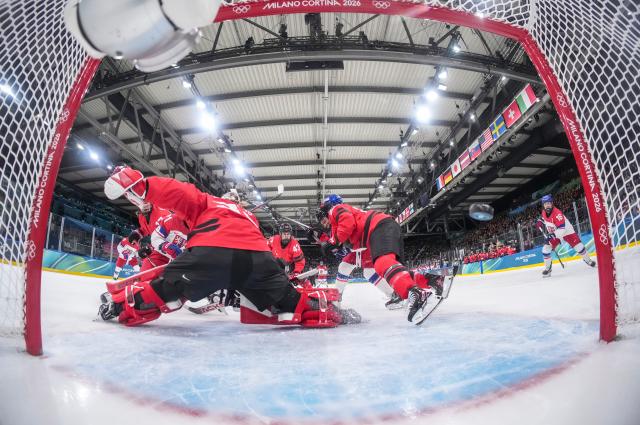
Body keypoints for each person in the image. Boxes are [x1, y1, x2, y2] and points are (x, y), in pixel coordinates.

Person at [99, 167, 355, 328]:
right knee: (290, 302)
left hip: (210, 253)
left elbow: (180, 193)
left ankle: (122, 304)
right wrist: (276, 273)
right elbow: (262, 250)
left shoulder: (207, 202)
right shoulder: (248, 216)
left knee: (167, 291)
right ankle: (326, 309)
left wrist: (141, 187)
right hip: (257, 259)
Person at [316, 194, 437, 323]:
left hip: (377, 229)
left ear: (328, 208)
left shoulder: (335, 210)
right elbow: (340, 242)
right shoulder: (339, 220)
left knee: (381, 264)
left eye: (324, 220)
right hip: (376, 233)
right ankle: (432, 280)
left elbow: (346, 225)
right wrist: (326, 241)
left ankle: (416, 293)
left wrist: (332, 242)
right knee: (384, 270)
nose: (325, 224)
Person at [537, 194, 596, 277]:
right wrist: (541, 221)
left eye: (549, 203)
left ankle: (588, 260)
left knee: (579, 247)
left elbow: (562, 229)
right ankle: (548, 269)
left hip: (567, 231)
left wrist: (552, 235)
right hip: (555, 233)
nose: (547, 205)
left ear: (552, 203)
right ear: (543, 205)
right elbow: (545, 218)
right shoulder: (544, 212)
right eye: (545, 204)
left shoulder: (557, 214)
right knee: (546, 249)